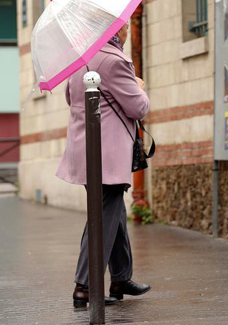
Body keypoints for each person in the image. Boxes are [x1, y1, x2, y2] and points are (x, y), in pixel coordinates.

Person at [57, 24, 151, 308]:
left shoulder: (79, 57)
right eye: (124, 27)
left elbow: (70, 98)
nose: (127, 31)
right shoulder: (114, 60)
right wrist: (139, 86)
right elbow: (138, 107)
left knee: (113, 211)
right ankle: (84, 285)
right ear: (117, 30)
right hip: (107, 154)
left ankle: (121, 277)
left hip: (84, 149)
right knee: (103, 214)